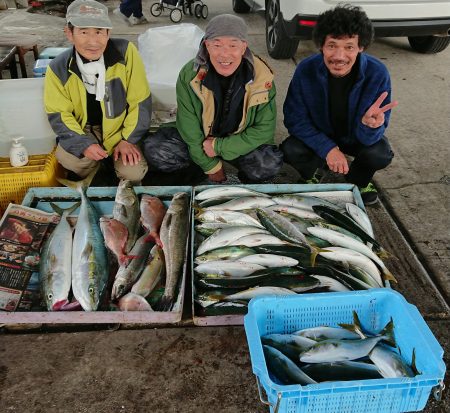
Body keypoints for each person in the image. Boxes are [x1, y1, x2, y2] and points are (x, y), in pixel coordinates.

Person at [143, 14, 283, 184]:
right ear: (206, 46)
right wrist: (210, 166)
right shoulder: (190, 75)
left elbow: (264, 130)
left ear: (244, 47)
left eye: (233, 45)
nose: (225, 54)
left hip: (239, 142)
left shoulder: (263, 78)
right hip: (202, 142)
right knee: (157, 149)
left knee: (268, 164)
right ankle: (198, 170)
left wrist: (219, 147)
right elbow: (189, 128)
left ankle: (245, 186)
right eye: (216, 45)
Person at [281, 4, 398, 205]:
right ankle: (312, 172)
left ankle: (359, 181)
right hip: (320, 134)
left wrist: (370, 126)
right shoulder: (306, 70)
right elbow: (294, 119)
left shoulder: (377, 72)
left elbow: (374, 133)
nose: (339, 56)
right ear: (321, 46)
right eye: (332, 45)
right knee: (291, 149)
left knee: (379, 153)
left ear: (361, 46)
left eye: (349, 47)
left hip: (356, 137)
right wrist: (328, 149)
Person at [44, 0, 151, 185]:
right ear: (69, 34)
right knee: (66, 156)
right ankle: (97, 166)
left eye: (99, 31)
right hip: (85, 128)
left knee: (134, 172)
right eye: (84, 32)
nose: (93, 42)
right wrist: (83, 144)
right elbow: (59, 114)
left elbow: (140, 101)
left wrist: (128, 140)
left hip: (120, 128)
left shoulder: (125, 53)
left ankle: (112, 162)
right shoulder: (57, 68)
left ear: (108, 33)